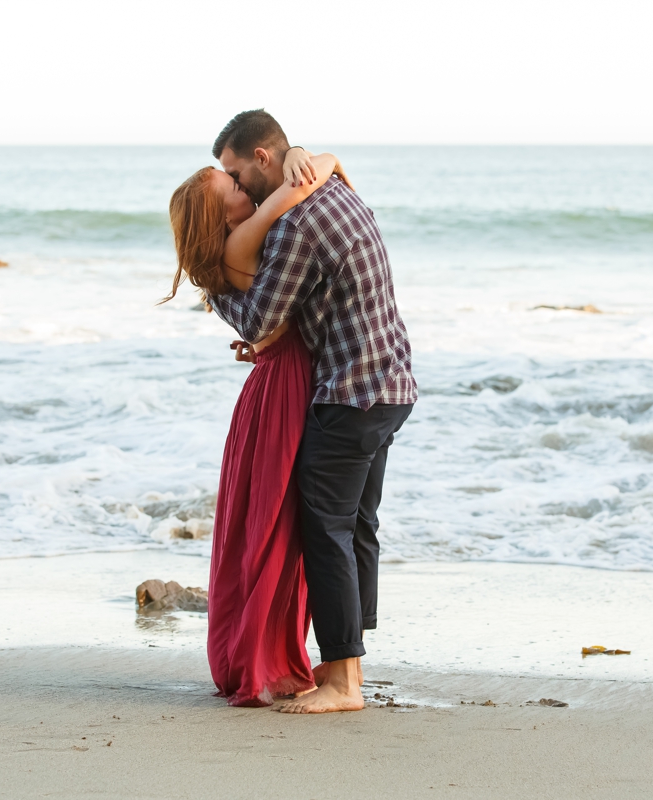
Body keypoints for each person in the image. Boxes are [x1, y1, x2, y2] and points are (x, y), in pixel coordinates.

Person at [207, 110, 417, 714]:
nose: (239, 186)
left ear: (263, 158)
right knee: (354, 526)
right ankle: (346, 659)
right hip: (392, 383)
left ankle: (344, 682)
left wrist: (214, 282)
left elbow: (258, 320)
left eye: (236, 173)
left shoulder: (296, 224)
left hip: (349, 392)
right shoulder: (331, 188)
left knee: (324, 528)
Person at [167, 145, 351, 707]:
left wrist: (306, 154)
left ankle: (267, 651)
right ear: (223, 217)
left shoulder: (225, 251)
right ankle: (269, 658)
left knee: (267, 522)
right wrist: (322, 157)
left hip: (272, 384)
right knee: (279, 524)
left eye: (237, 179)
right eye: (232, 189)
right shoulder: (243, 240)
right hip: (286, 388)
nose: (243, 188)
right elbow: (296, 192)